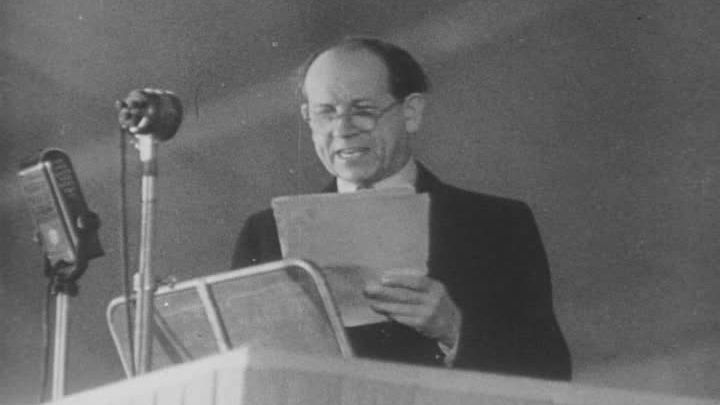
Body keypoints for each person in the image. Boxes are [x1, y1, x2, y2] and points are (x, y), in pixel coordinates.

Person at [231, 37, 572, 381]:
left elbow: (550, 374)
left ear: (411, 113)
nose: (343, 130)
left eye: (363, 110)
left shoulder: (497, 226)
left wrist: (454, 330)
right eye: (326, 112)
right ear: (308, 118)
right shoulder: (264, 235)